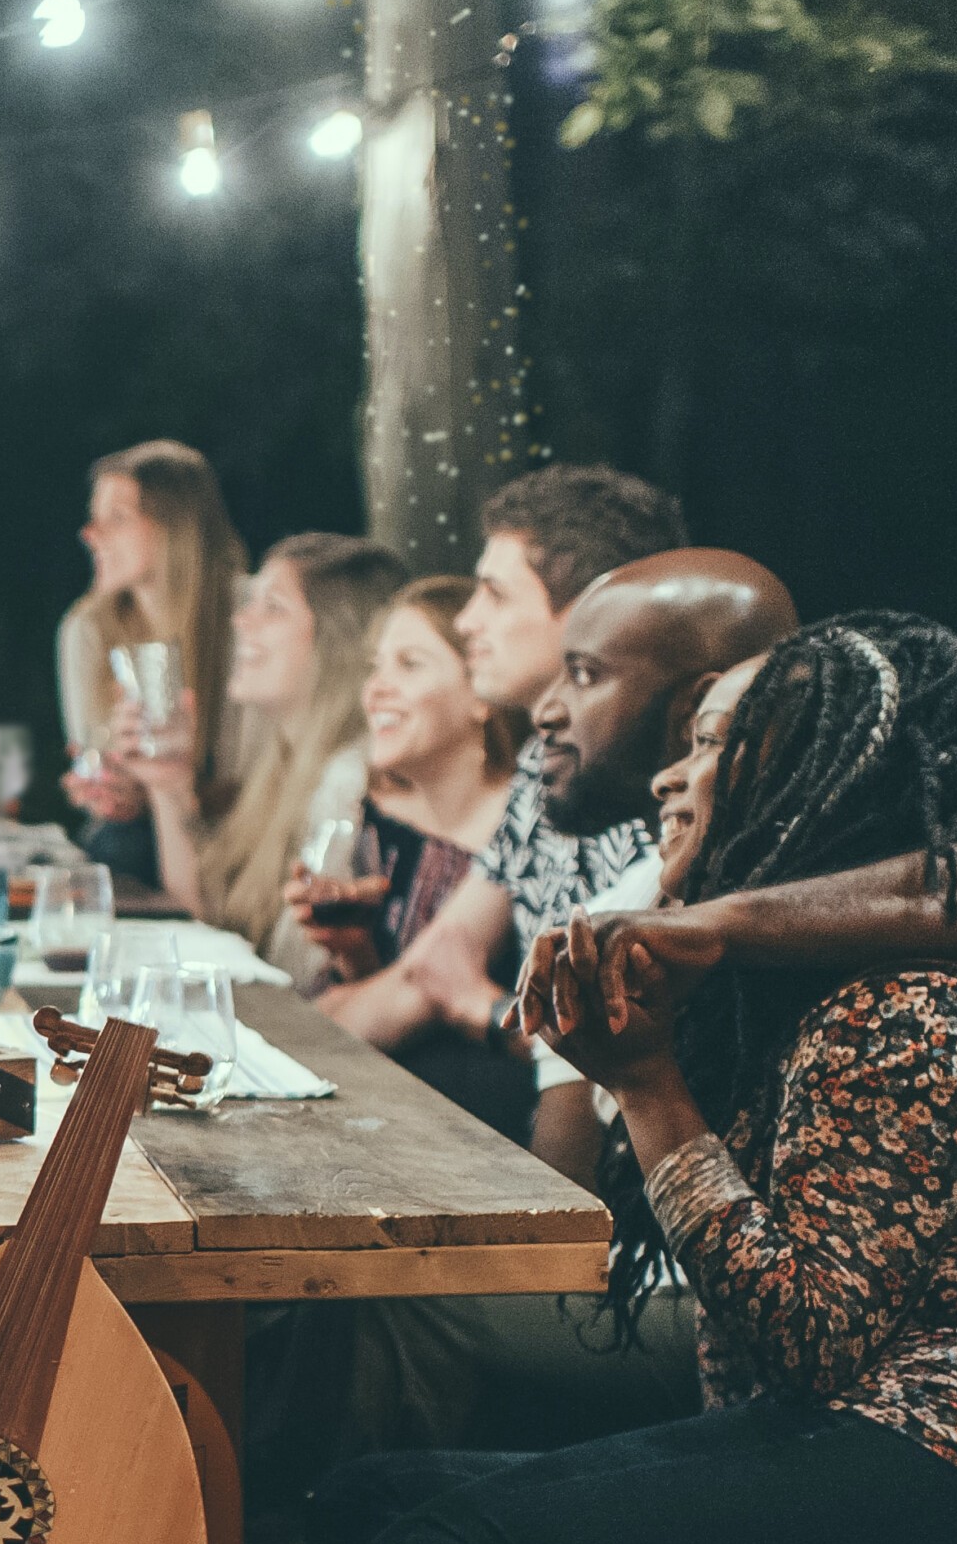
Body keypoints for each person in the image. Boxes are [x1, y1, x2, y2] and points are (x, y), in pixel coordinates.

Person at [315, 616, 957, 1544]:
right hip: (831, 1436)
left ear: (811, 783)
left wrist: (647, 1085)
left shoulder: (897, 1009)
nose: (672, 772)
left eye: (709, 744)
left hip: (919, 1465)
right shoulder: (783, 992)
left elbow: (807, 1341)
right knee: (361, 1504)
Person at [313, 464, 690, 1103]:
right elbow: (427, 974)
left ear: (595, 606)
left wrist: (484, 1010)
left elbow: (625, 1058)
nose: (467, 622)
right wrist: (243, 1051)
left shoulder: (659, 789)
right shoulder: (543, 761)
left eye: (495, 593)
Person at [115, 532, 407, 986]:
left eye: (272, 607)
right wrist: (168, 783)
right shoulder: (284, 761)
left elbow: (292, 984)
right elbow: (207, 924)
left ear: (338, 637)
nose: (240, 621)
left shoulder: (349, 779)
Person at [291, 575, 530, 1127]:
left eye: (410, 664)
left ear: (482, 697)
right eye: (377, 665)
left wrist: (272, 1038)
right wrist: (356, 951)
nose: (375, 688)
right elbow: (391, 992)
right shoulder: (379, 814)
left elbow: (420, 998)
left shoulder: (525, 823)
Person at [55, 440, 250, 884]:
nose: (91, 533)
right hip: (145, 837)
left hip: (238, 831)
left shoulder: (247, 617)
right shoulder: (88, 628)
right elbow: (91, 755)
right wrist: (109, 786)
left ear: (177, 527)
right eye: (94, 516)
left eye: (117, 518)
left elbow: (262, 776)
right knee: (118, 842)